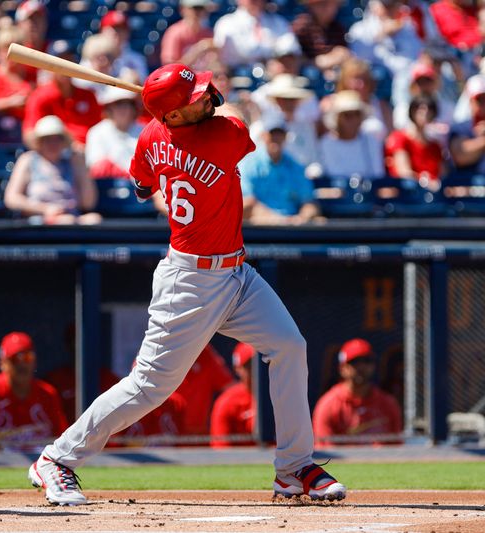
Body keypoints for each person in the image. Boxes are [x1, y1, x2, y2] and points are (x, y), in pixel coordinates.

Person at [28, 63, 346, 505]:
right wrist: (191, 107)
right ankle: (57, 458)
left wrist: (173, 110)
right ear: (173, 116)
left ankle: (293, 468)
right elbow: (237, 117)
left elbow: (144, 185)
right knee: (149, 386)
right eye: (194, 96)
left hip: (236, 274)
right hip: (190, 282)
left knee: (289, 346)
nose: (204, 95)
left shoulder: (149, 137)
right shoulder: (221, 135)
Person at [0, 332, 67, 454]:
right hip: (1, 468)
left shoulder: (48, 393)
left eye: (27, 357)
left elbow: (61, 440)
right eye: (15, 359)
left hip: (41, 467)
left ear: (34, 361)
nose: (22, 365)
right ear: (2, 363)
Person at [5, 115, 102, 225]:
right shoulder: (28, 160)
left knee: (94, 219)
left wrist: (82, 166)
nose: (53, 143)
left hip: (71, 219)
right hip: (38, 222)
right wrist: (46, 209)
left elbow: (88, 203)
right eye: (47, 139)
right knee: (65, 222)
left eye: (57, 139)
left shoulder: (72, 162)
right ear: (39, 142)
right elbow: (11, 198)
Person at [312, 338, 403, 447]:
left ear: (373, 366)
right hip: (343, 464)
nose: (361, 367)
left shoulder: (388, 403)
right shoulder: (328, 405)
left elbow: (397, 448)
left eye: (366, 361)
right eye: (354, 362)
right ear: (342, 368)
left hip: (381, 462)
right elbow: (325, 452)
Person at [240, 115, 320, 225]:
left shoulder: (295, 166)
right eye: (272, 134)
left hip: (292, 229)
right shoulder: (248, 164)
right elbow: (246, 204)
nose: (276, 138)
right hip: (259, 230)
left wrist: (302, 218)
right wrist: (277, 220)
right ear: (264, 136)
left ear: (285, 137)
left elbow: (309, 202)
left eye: (280, 134)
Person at [22, 40, 102, 147]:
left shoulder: (88, 96)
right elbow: (29, 135)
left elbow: (101, 131)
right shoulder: (40, 96)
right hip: (56, 155)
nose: (65, 67)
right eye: (60, 62)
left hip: (89, 153)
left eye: (69, 60)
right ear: (49, 66)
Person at [318, 90, 386, 179]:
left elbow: (378, 174)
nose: (353, 119)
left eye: (356, 114)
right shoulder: (326, 144)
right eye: (347, 115)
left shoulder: (371, 140)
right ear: (337, 118)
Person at [213, 0, 299, 68]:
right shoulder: (226, 23)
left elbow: (290, 47)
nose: (255, 1)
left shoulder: (277, 21)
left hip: (272, 75)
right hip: (238, 77)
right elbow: (247, 52)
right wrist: (273, 52)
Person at [384, 95, 445, 187]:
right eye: (420, 109)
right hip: (407, 196)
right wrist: (426, 182)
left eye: (429, 109)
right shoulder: (400, 138)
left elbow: (442, 174)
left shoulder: (435, 146)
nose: (425, 113)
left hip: (433, 197)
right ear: (412, 111)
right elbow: (403, 172)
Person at [174, 343, 234, 437]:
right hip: (169, 434)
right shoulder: (164, 348)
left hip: (199, 437)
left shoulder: (203, 351)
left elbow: (230, 388)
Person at [85, 86, 144, 179]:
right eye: (118, 104)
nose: (124, 109)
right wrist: (128, 176)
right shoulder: (97, 132)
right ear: (109, 108)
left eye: (127, 104)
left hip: (145, 187)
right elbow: (97, 167)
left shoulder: (144, 131)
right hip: (111, 187)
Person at [210, 342, 257, 447]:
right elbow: (221, 450)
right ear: (237, 369)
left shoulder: (282, 396)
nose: (257, 371)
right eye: (250, 366)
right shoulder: (227, 402)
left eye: (261, 365)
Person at [0, 26, 34, 120]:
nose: (12, 53)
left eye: (17, 48)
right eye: (7, 47)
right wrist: (10, 102)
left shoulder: (31, 74)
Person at [291, 0, 351, 74]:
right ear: (311, 6)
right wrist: (324, 61)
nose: (328, 8)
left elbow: (344, 54)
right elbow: (295, 59)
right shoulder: (301, 26)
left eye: (332, 4)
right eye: (322, 4)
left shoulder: (337, 27)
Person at [160, 0, 214, 67]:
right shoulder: (174, 32)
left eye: (202, 8)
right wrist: (198, 50)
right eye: (195, 8)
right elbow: (170, 67)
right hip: (183, 77)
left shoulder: (209, 33)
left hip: (204, 76)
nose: (199, 12)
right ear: (183, 9)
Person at [99, 10, 148, 80]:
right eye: (113, 29)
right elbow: (82, 84)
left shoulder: (136, 59)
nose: (117, 33)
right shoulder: (92, 54)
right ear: (102, 31)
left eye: (121, 29)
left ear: (128, 33)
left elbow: (141, 88)